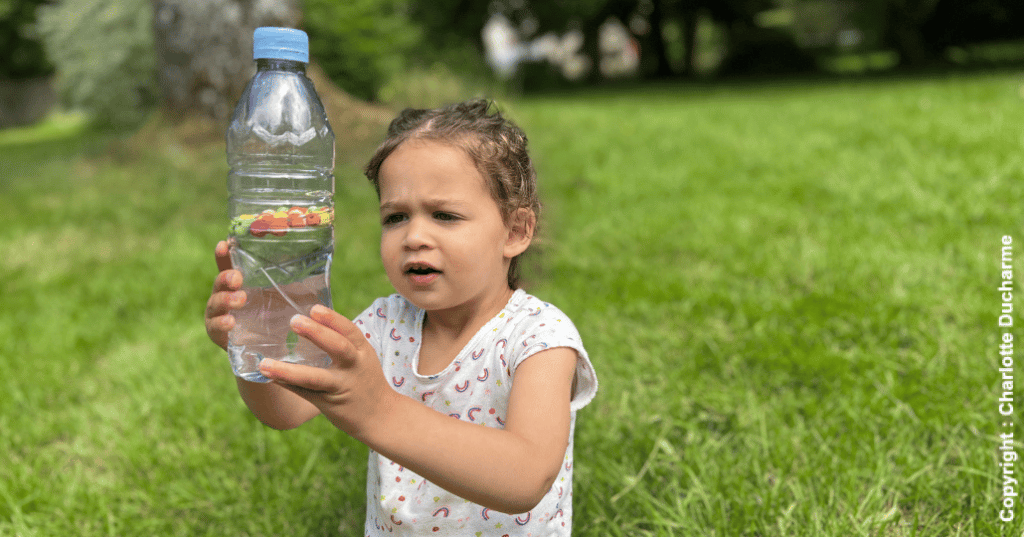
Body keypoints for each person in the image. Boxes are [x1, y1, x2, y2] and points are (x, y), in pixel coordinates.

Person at [204, 99, 598, 535]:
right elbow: (285, 410)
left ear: (515, 231)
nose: (414, 237)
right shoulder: (386, 323)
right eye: (395, 217)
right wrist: (256, 343)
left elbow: (527, 477)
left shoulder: (539, 337)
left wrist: (378, 411)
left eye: (444, 215)